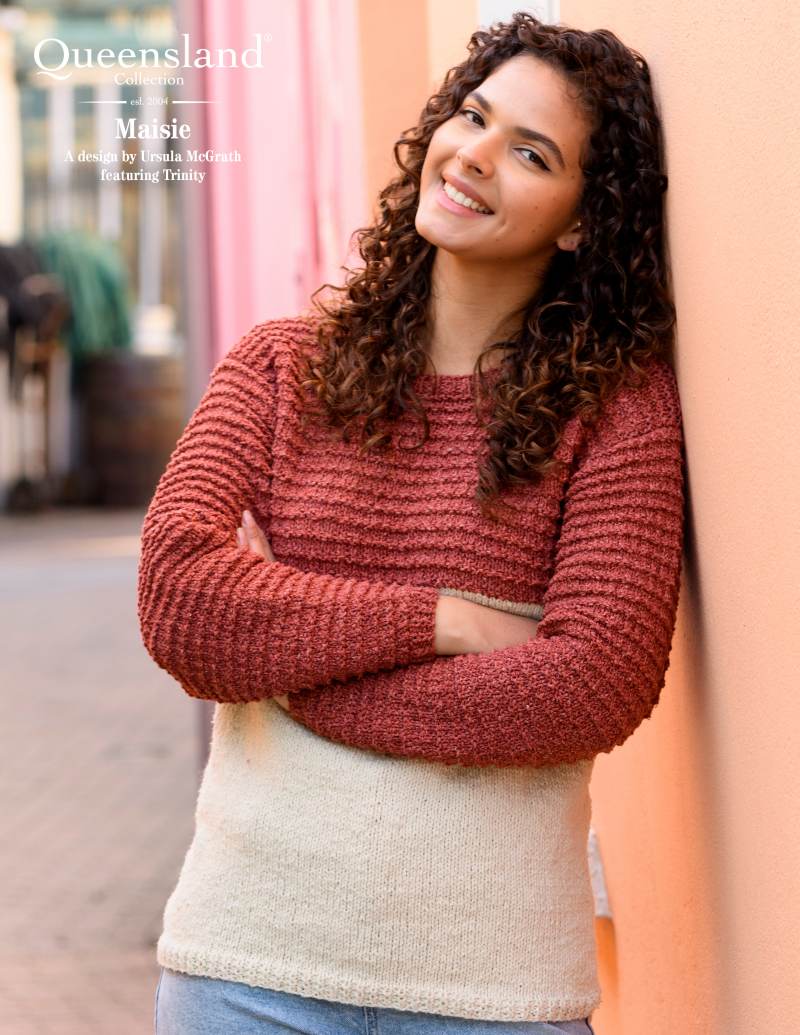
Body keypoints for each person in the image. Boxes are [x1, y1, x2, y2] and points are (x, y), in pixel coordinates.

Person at [139, 12, 685, 1035]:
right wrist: (448, 620)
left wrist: (290, 665)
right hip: (244, 968)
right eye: (472, 117)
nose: (473, 155)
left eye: (530, 153)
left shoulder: (614, 410)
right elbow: (182, 605)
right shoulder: (278, 367)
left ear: (580, 220)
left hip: (493, 994)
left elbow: (589, 687)